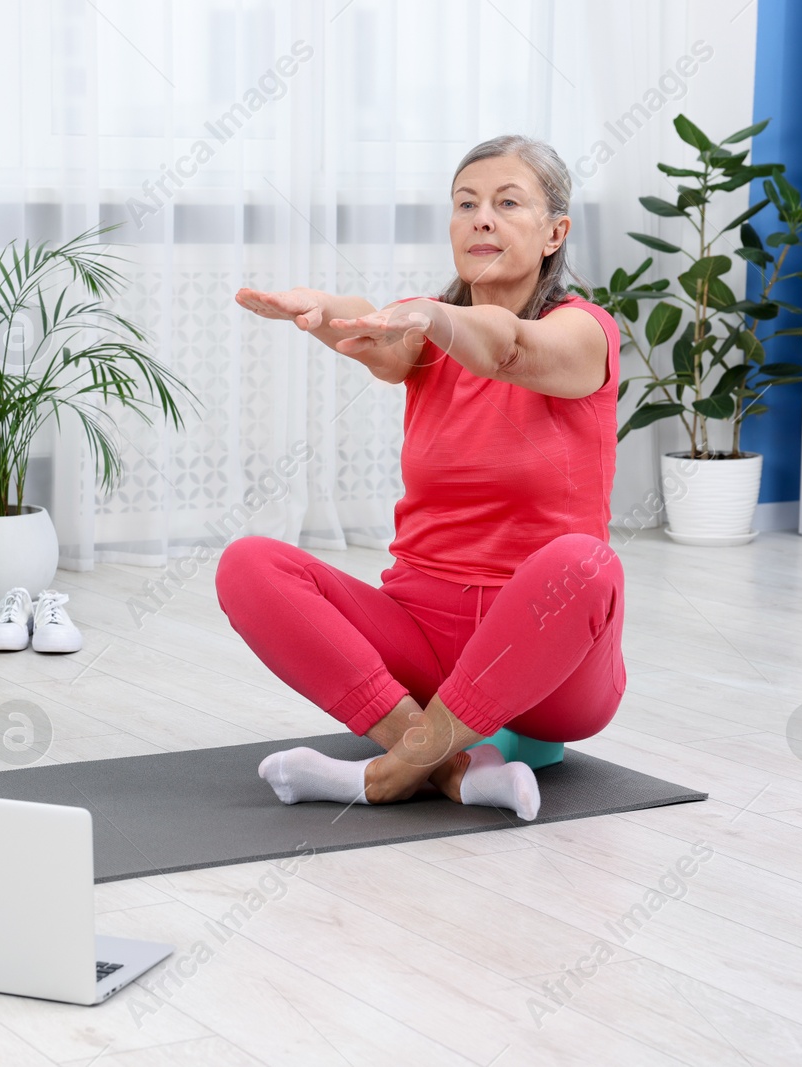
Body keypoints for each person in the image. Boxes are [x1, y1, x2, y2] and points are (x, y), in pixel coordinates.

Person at [217, 135, 625, 819]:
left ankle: (379, 776)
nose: (480, 218)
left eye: (506, 202)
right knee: (247, 564)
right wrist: (319, 310)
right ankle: (450, 767)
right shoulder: (428, 334)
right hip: (424, 643)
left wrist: (434, 315)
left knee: (585, 564)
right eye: (466, 203)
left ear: (556, 232)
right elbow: (376, 332)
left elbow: (509, 346)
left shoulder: (584, 332)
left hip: (553, 667)